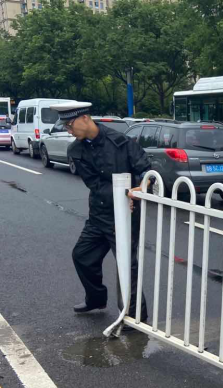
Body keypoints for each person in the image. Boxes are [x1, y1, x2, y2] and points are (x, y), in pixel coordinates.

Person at [53, 101, 149, 323]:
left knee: (126, 265)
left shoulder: (121, 142)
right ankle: (96, 298)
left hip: (125, 215)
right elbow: (95, 184)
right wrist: (127, 193)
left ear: (85, 118)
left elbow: (146, 169)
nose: (68, 130)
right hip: (99, 215)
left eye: (70, 125)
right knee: (82, 256)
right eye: (65, 127)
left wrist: (141, 188)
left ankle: (134, 317)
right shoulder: (75, 150)